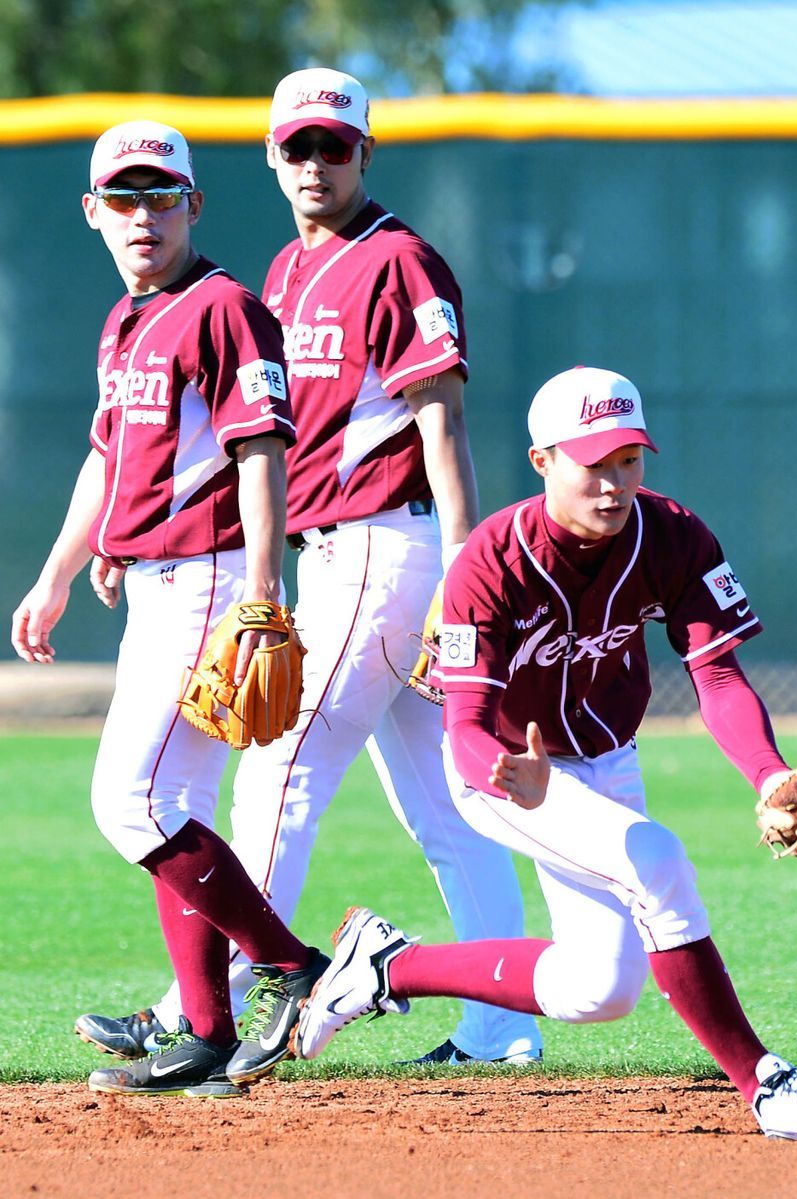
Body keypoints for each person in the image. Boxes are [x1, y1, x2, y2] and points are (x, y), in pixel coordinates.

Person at [75, 70, 541, 1067]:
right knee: (447, 801)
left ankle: (228, 1000)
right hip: (334, 547)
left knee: (276, 771)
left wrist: (464, 566)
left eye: (335, 145)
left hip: (386, 545)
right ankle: (502, 1024)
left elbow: (442, 416)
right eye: (298, 147)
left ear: (365, 152)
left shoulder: (401, 259)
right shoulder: (285, 270)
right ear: (273, 157)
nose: (316, 164)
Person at [293, 366, 797, 1140]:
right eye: (592, 460)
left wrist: (769, 776)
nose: (614, 481)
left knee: (601, 988)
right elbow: (462, 724)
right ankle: (767, 1085)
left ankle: (386, 966)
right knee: (659, 863)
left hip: (605, 758)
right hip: (503, 774)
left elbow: (719, 673)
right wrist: (509, 773)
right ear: (544, 461)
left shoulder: (673, 534)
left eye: (628, 458)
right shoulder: (487, 560)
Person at [11, 120, 330, 1097]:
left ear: (192, 204)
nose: (142, 215)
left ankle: (288, 962)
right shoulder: (125, 319)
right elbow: (111, 456)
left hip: (210, 577)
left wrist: (264, 590)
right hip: (150, 579)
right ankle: (204, 1028)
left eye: (160, 196)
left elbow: (260, 452)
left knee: (130, 801)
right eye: (123, 198)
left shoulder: (224, 306)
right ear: (92, 213)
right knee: (175, 806)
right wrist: (66, 566)